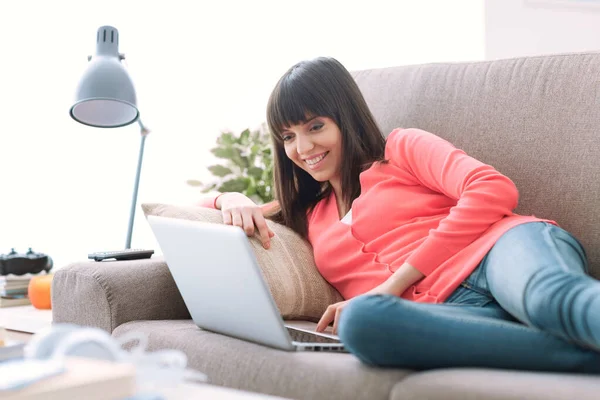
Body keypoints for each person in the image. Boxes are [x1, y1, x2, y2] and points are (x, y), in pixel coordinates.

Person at [201, 56, 600, 374]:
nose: (303, 147)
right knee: (362, 324)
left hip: (502, 250)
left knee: (551, 300)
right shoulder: (307, 213)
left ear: (345, 116)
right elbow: (201, 212)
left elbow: (492, 188)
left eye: (315, 126)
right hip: (455, 314)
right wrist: (229, 198)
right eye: (288, 136)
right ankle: (584, 354)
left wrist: (393, 284)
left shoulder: (401, 148)